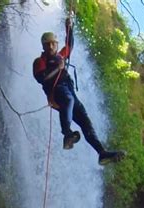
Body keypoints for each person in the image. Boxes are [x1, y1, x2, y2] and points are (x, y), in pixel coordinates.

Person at [33, 17, 125, 165]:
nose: (50, 46)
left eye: (53, 43)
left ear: (56, 45)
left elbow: (69, 45)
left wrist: (69, 28)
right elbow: (41, 78)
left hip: (69, 92)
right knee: (68, 99)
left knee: (86, 122)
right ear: (43, 47)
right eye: (47, 44)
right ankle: (67, 133)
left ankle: (101, 153)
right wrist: (58, 68)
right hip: (56, 92)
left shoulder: (60, 56)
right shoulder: (40, 61)